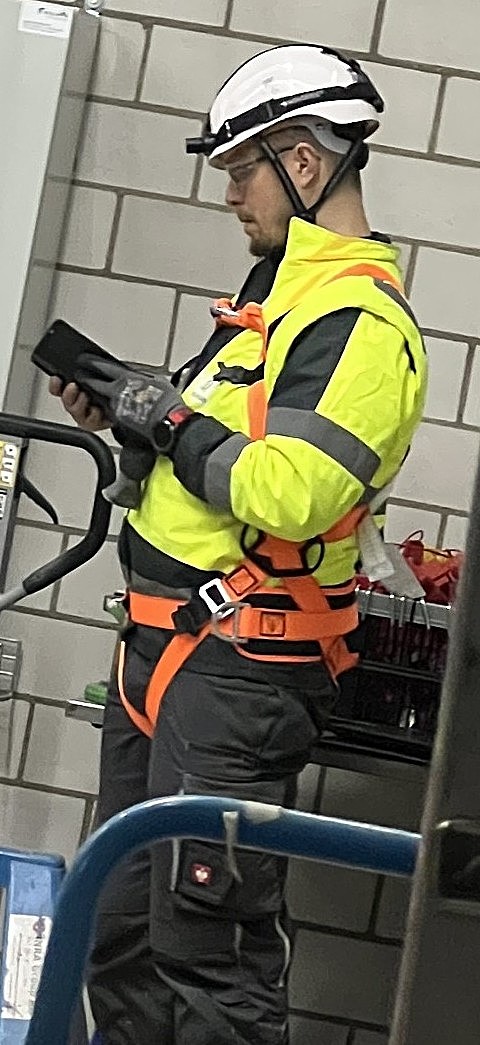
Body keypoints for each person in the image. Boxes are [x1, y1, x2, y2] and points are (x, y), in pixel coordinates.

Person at [50, 44, 427, 1045]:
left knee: (208, 950)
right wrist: (134, 420)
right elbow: (213, 458)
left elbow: (293, 492)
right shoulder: (271, 300)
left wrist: (171, 420)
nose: (230, 194)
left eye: (241, 170)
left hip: (238, 669)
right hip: (165, 651)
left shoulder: (359, 323)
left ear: (304, 163)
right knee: (122, 935)